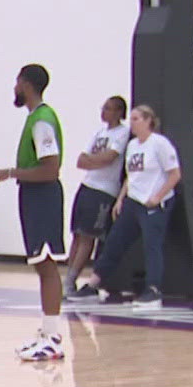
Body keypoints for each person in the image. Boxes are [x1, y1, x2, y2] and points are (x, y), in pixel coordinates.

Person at [0, 65, 68, 362]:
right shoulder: (36, 119)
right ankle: (48, 331)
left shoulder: (42, 121)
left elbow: (50, 168)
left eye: (16, 82)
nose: (14, 88)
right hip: (34, 196)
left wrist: (11, 172)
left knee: (47, 264)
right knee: (41, 264)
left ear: (25, 84)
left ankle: (53, 338)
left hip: (43, 196)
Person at [74, 105, 182, 309]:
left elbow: (175, 174)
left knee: (152, 245)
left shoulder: (159, 143)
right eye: (131, 119)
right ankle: (94, 284)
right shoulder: (133, 146)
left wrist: (158, 197)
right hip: (133, 201)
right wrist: (121, 199)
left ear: (149, 121)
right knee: (114, 242)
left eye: (136, 119)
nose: (132, 123)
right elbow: (130, 176)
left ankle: (153, 290)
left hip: (153, 202)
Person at [66, 96, 132, 292]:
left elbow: (110, 158)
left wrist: (93, 160)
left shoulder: (123, 133)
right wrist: (95, 160)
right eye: (103, 107)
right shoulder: (99, 132)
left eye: (108, 108)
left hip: (104, 191)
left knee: (88, 236)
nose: (103, 112)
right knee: (77, 234)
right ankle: (68, 277)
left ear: (119, 112)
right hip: (87, 185)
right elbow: (81, 160)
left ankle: (72, 279)